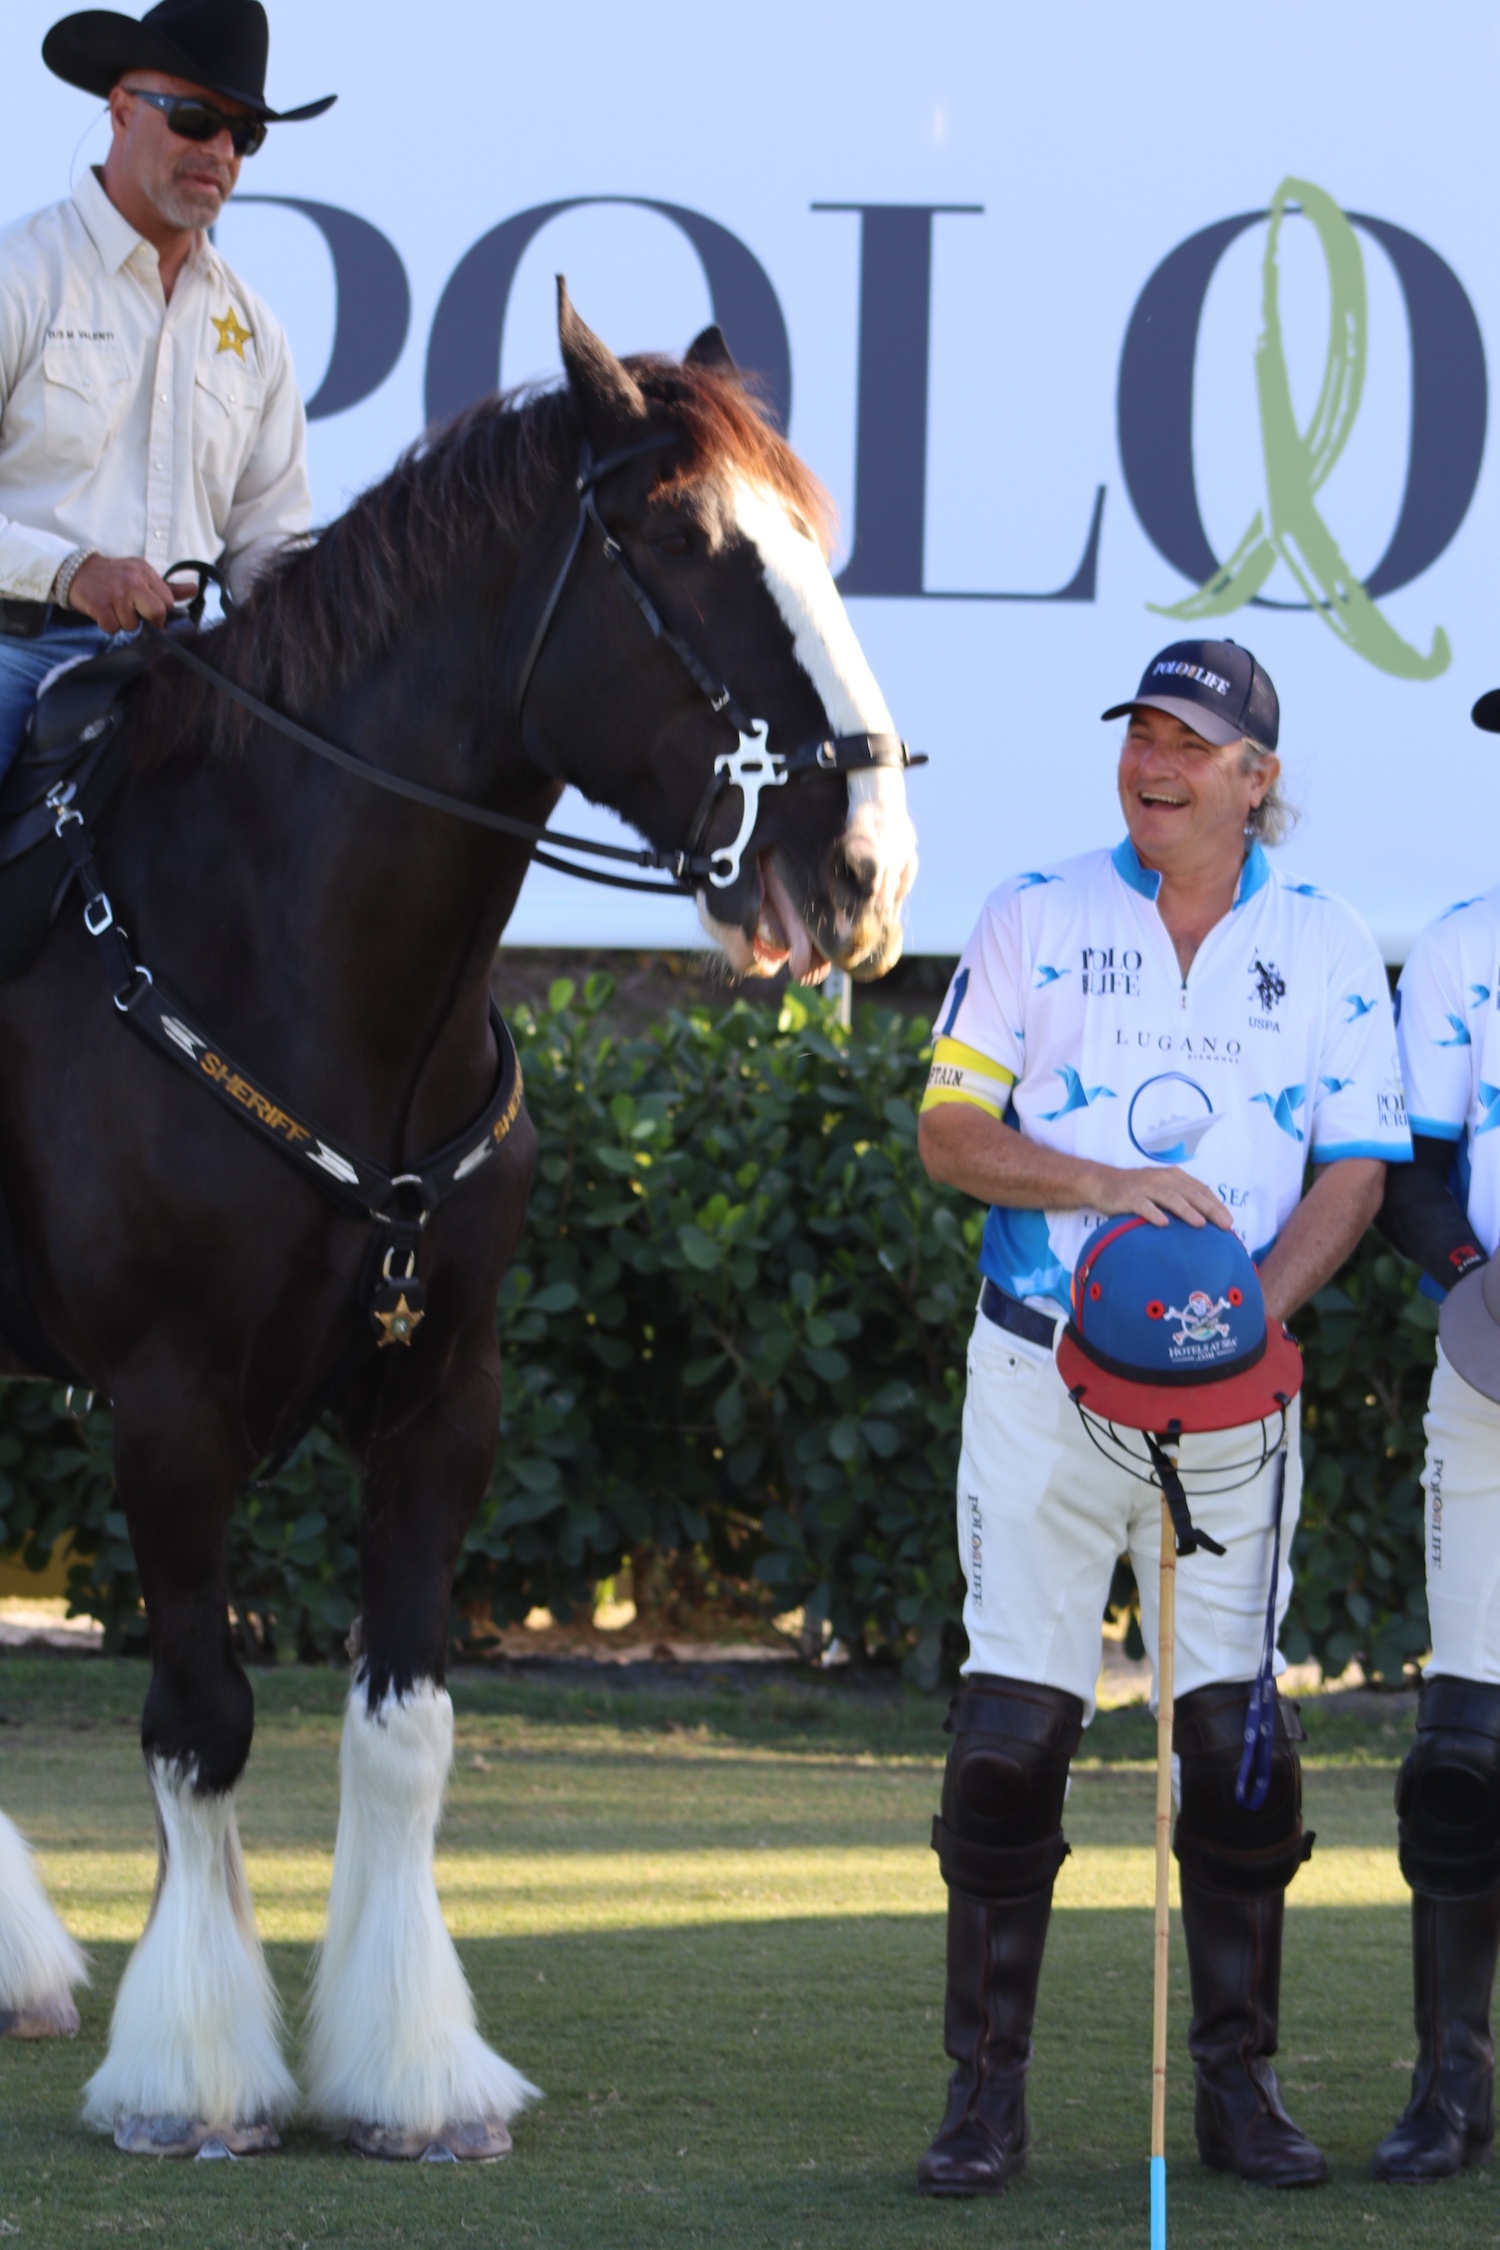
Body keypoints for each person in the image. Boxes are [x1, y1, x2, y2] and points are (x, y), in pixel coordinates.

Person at [914, 637, 1411, 2195]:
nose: (1155, 763)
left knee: (1237, 1742)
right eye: (1141, 733)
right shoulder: (1034, 912)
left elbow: (1358, 1168)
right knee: (1010, 1739)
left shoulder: (1329, 941)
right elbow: (949, 1130)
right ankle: (982, 2098)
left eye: (1191, 743)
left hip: (1233, 1408)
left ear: (1258, 778)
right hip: (1041, 1376)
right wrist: (1102, 1180)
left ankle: (1239, 2090)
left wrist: (1249, 1314)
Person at [0, 0, 334, 780]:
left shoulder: (257, 330)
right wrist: (72, 572)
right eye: (194, 118)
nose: (219, 150)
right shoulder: (20, 278)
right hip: (15, 649)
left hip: (183, 668)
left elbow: (269, 543)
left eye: (243, 134)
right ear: (121, 112)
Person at [1371, 682, 1500, 2183]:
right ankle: (1452, 2085)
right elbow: (1409, 1174)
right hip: (1491, 1376)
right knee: (1462, 1756)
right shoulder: (1467, 947)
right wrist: (1478, 1282)